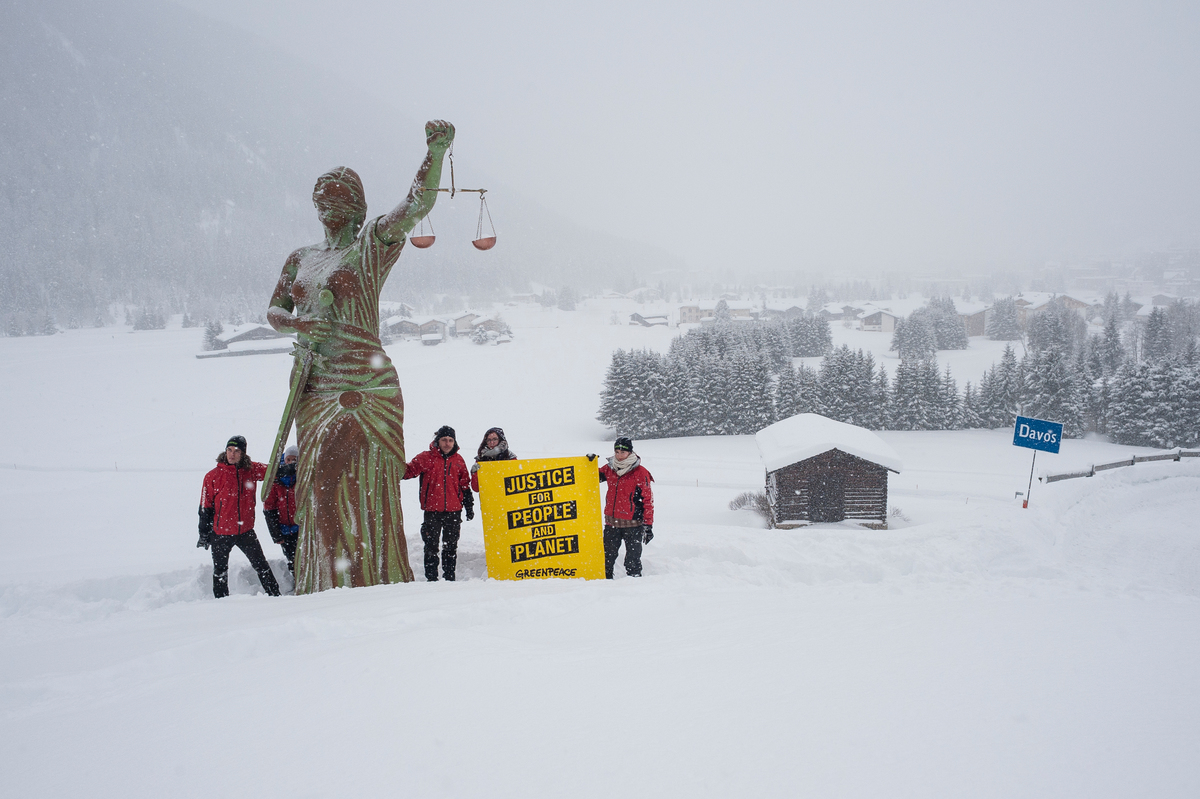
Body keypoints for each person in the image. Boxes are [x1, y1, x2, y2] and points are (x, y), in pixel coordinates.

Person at [265, 120, 455, 593]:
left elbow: (417, 206)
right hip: (313, 381)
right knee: (315, 486)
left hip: (364, 384)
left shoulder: (370, 246)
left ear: (355, 204)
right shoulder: (300, 257)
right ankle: (324, 578)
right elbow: (274, 309)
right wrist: (298, 325)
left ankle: (367, 575)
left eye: (335, 197)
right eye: (320, 199)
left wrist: (435, 153)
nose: (326, 206)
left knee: (349, 480)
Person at [198, 435, 281, 598]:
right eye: (229, 450)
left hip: (246, 532)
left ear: (243, 453)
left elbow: (274, 471)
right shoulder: (212, 476)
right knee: (220, 571)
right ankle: (221, 602)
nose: (232, 454)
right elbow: (205, 507)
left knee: (261, 565)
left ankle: (276, 596)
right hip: (221, 533)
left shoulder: (252, 470)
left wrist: (290, 468)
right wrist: (204, 533)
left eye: (237, 451)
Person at [403, 425, 473, 581]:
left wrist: (469, 507)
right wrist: (394, 466)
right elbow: (408, 471)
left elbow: (465, 485)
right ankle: (431, 580)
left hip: (454, 511)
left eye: (450, 440)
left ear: (454, 442)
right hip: (432, 511)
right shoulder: (426, 458)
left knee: (450, 548)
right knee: (431, 547)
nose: (447, 443)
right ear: (437, 441)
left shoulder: (459, 460)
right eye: (444, 440)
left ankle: (449, 579)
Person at [598, 436, 654, 579]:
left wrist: (648, 525)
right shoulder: (609, 469)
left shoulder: (640, 472)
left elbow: (648, 500)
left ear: (630, 453)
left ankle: (634, 585)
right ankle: (605, 583)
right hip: (612, 523)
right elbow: (593, 476)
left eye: (622, 452)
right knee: (606, 559)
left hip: (633, 525)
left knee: (632, 560)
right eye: (616, 452)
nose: (619, 455)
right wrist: (588, 463)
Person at [264, 445, 300, 575]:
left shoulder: (302, 480)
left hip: (300, 528)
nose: (291, 463)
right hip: (284, 530)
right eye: (288, 459)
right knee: (291, 560)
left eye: (294, 460)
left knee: (304, 558)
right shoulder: (276, 480)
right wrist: (276, 534)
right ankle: (296, 581)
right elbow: (269, 508)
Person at [470, 426, 518, 492]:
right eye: (489, 440)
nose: (492, 442)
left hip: (508, 499)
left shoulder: (510, 457)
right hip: (489, 499)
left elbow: (517, 483)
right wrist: (474, 473)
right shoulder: (481, 459)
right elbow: (476, 488)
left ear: (500, 439)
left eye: (494, 439)